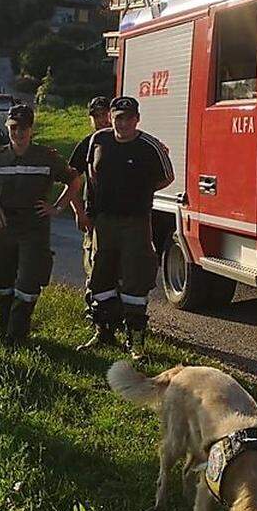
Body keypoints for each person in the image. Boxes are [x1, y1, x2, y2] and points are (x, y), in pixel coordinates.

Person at [76, 97, 174, 359]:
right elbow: (89, 172)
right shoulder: (99, 140)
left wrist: (139, 193)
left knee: (135, 280)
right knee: (100, 278)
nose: (123, 123)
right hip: (104, 221)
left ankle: (136, 342)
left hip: (136, 222)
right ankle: (104, 332)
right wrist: (89, 209)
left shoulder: (149, 146)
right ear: (111, 117)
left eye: (129, 118)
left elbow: (168, 177)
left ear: (137, 119)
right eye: (119, 117)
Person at [0, 104, 83, 343]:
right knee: (2, 282)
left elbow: (74, 181)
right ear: (7, 128)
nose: (18, 133)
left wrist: (57, 207)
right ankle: (4, 331)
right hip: (3, 227)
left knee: (28, 283)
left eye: (23, 128)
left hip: (34, 228)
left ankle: (16, 336)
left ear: (31, 129)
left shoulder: (46, 157)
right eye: (14, 128)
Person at [70, 96, 113, 340]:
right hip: (94, 216)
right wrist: (78, 211)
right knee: (94, 267)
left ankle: (120, 320)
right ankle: (96, 319)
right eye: (96, 116)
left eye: (105, 114)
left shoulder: (127, 141)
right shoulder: (87, 143)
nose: (101, 120)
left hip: (119, 217)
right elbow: (72, 180)